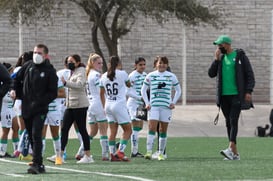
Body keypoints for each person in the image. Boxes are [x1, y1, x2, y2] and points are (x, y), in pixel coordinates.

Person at [10, 44, 58, 174]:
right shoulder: (28, 66)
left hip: (40, 109)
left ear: (46, 55)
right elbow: (16, 79)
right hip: (26, 107)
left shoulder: (50, 70)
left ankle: (37, 163)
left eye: (39, 53)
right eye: (35, 52)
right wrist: (14, 90)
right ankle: (39, 163)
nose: (36, 55)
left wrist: (40, 101)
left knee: (37, 134)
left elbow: (53, 92)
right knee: (31, 135)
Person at [208, 35, 255, 160]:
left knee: (233, 120)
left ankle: (230, 149)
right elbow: (211, 74)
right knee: (228, 122)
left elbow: (250, 75)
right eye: (218, 45)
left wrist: (248, 91)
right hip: (223, 97)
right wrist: (216, 59)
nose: (218, 47)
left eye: (220, 45)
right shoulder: (221, 58)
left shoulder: (240, 56)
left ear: (227, 44)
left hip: (237, 95)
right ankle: (234, 154)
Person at [141, 56, 181, 161]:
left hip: (166, 107)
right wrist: (147, 103)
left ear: (167, 65)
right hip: (154, 107)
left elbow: (178, 90)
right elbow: (143, 90)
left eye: (164, 63)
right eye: (160, 63)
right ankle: (149, 151)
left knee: (163, 130)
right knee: (151, 128)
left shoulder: (171, 76)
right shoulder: (150, 75)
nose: (162, 65)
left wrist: (173, 102)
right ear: (155, 64)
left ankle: (161, 153)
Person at [60, 54, 93, 163]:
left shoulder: (81, 71)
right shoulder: (72, 72)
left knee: (82, 129)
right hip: (70, 105)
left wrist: (66, 83)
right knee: (64, 128)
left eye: (72, 61)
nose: (69, 63)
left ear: (78, 62)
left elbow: (80, 84)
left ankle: (88, 156)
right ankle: (60, 154)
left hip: (80, 105)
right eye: (68, 61)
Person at [100, 56, 132, 161]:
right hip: (119, 105)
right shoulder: (122, 73)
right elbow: (128, 84)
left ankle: (112, 154)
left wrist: (104, 107)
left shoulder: (104, 76)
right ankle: (120, 152)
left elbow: (101, 93)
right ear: (119, 63)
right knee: (128, 130)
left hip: (108, 105)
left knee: (113, 131)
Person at [84, 53, 109, 161]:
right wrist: (105, 106)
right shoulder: (96, 75)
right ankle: (105, 154)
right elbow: (101, 91)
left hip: (90, 104)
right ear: (92, 63)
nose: (101, 65)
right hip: (98, 104)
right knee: (103, 130)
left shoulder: (88, 74)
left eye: (102, 63)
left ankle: (81, 152)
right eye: (98, 63)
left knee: (92, 132)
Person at [127, 57, 147, 158]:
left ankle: (123, 142)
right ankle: (134, 152)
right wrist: (139, 97)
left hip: (141, 105)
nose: (142, 66)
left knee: (139, 127)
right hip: (133, 104)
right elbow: (127, 91)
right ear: (135, 66)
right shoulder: (132, 76)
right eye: (140, 65)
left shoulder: (145, 75)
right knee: (135, 127)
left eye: (144, 64)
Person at [0, 63, 19, 158]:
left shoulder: (11, 82)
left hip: (11, 108)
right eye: (10, 70)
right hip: (5, 108)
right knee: (5, 130)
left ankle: (16, 150)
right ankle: (2, 151)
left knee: (16, 127)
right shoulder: (3, 82)